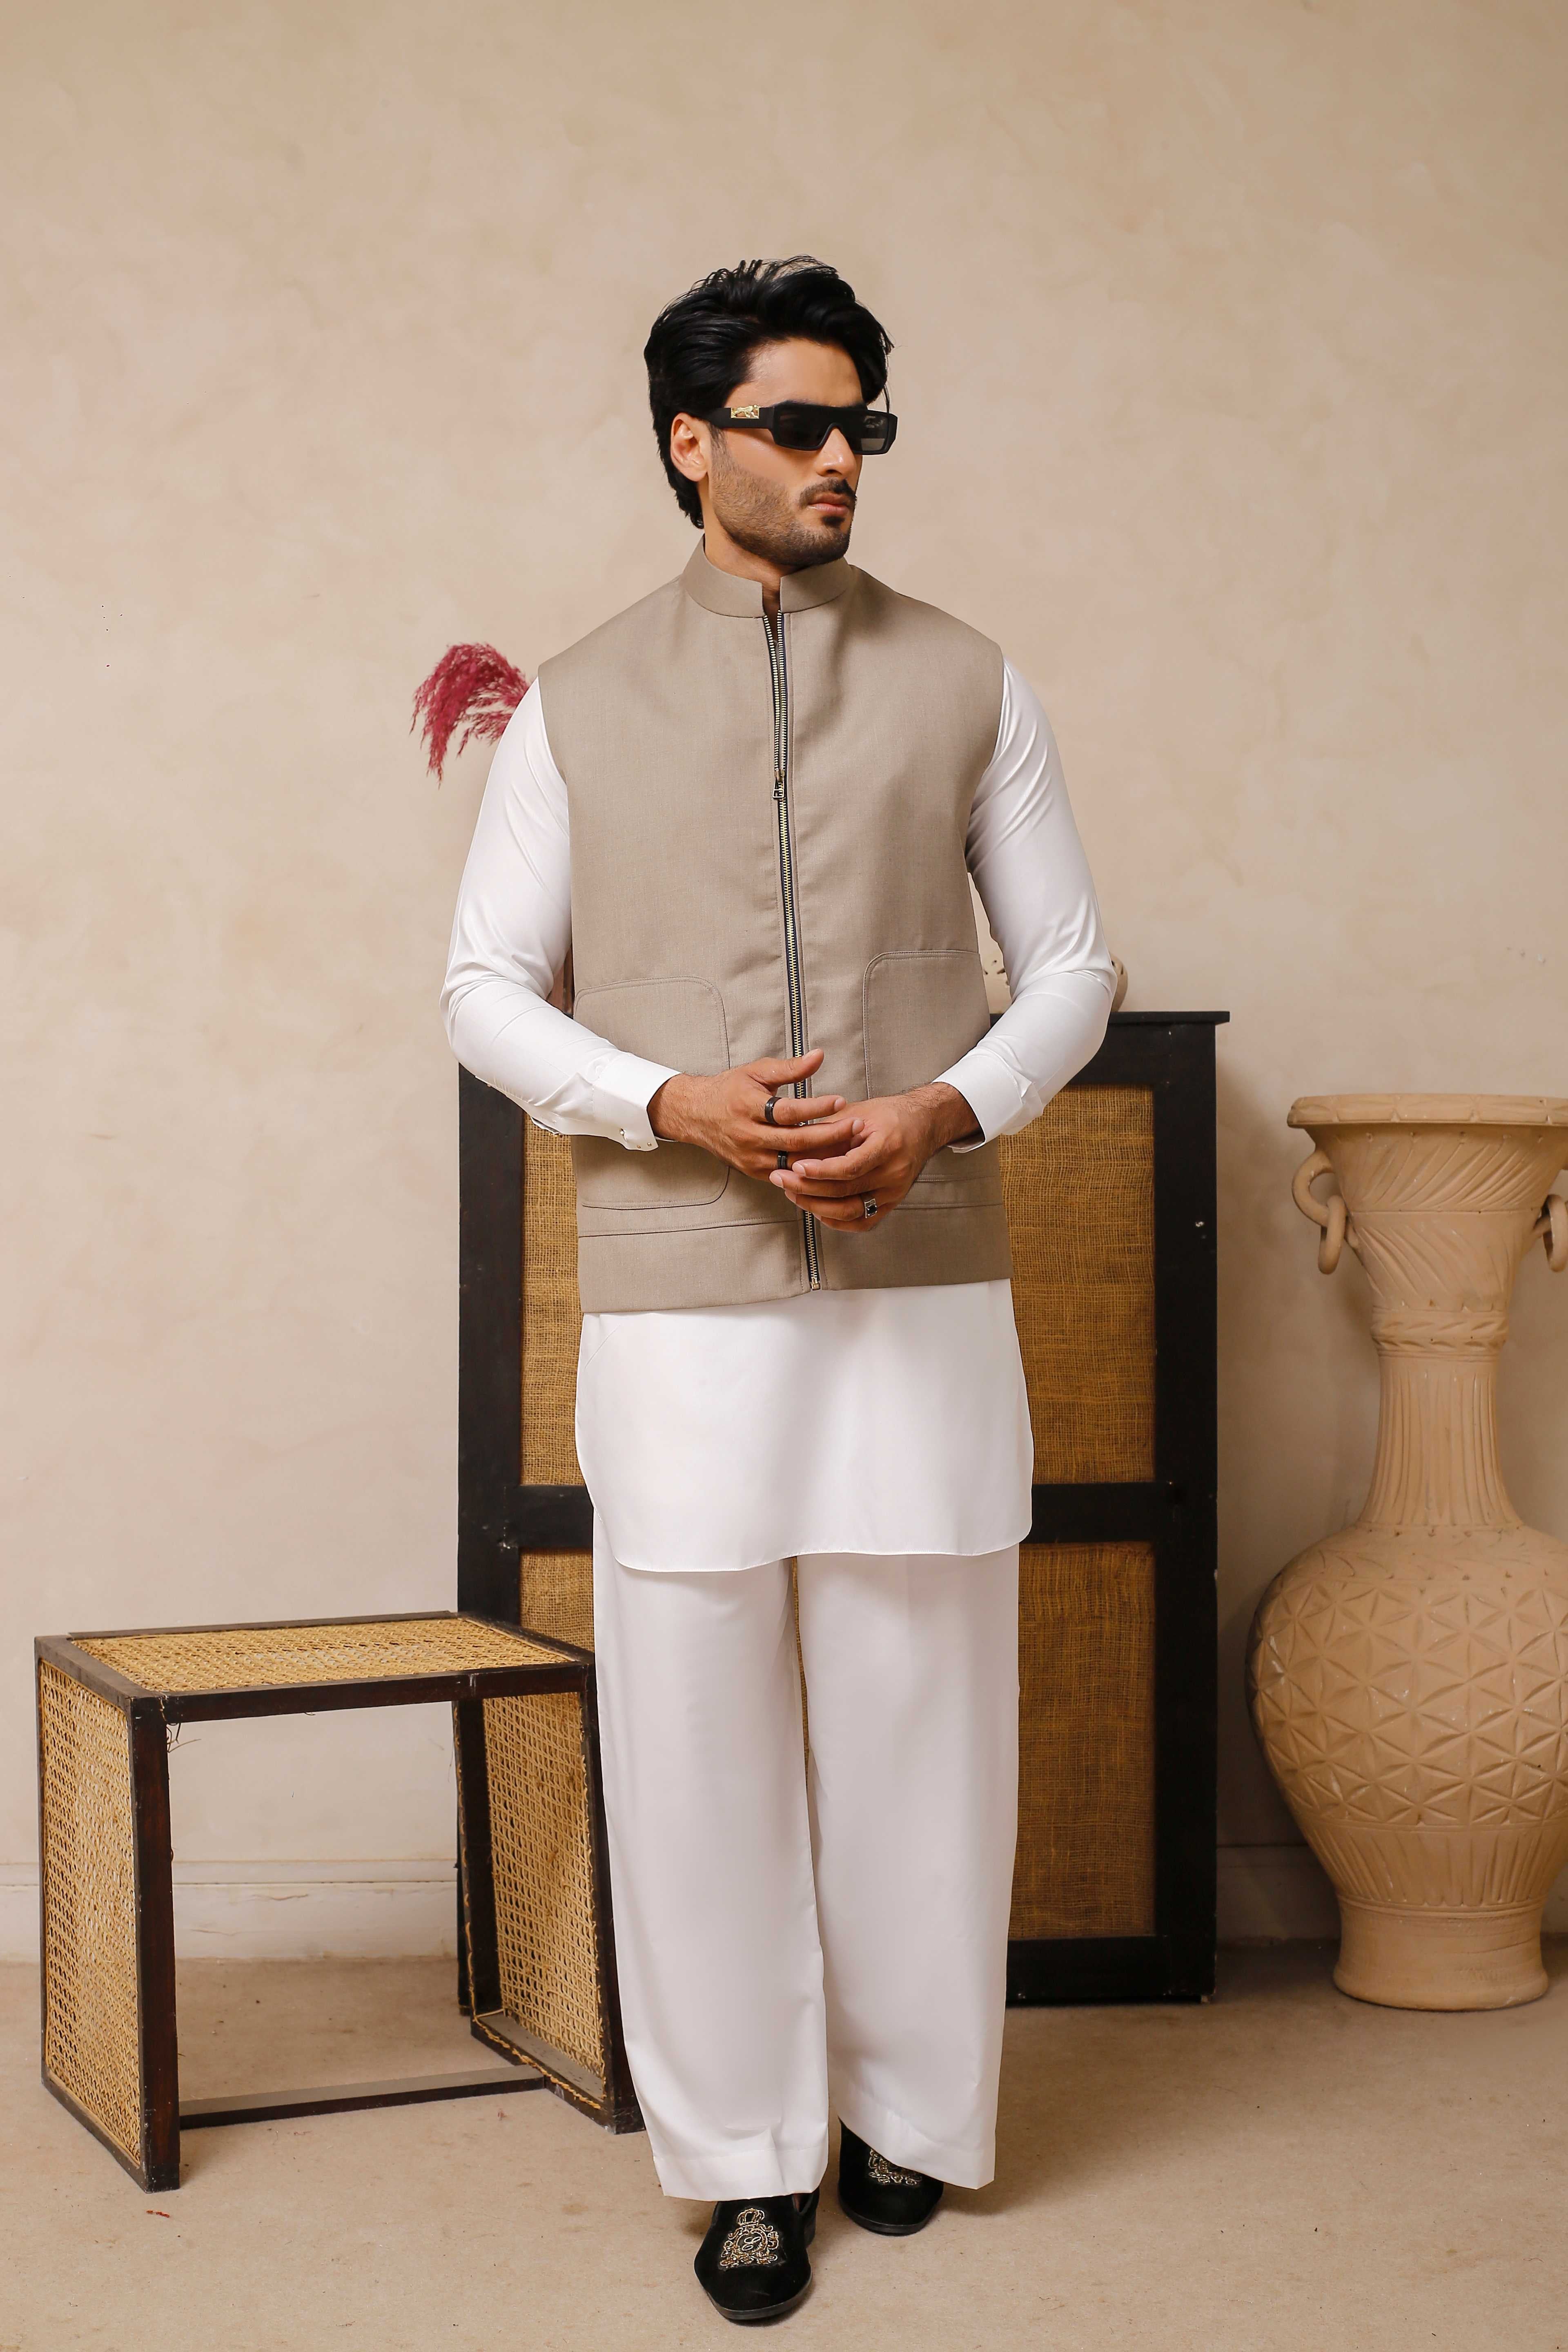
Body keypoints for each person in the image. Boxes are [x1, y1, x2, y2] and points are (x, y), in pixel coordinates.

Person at [443, 256, 1114, 2324]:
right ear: (692, 441)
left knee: (924, 1720)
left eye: (863, 429)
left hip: (920, 1284)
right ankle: (744, 2160)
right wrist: (664, 1101)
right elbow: (480, 989)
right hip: (681, 1304)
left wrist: (947, 1113)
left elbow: (1074, 968)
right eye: (802, 425)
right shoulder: (575, 702)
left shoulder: (970, 679)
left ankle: (910, 2116)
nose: (842, 462)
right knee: (697, 1740)